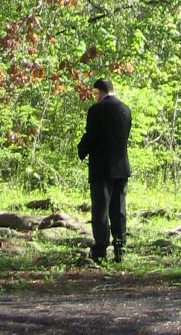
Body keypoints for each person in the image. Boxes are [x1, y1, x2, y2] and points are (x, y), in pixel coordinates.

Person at [77, 77, 131, 263]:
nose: (95, 98)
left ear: (99, 92)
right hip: (121, 167)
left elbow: (91, 136)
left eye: (95, 94)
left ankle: (100, 249)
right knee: (119, 209)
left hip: (101, 168)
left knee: (100, 210)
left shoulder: (96, 110)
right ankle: (120, 248)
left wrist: (81, 149)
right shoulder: (125, 110)